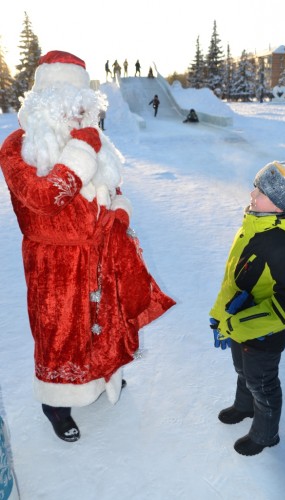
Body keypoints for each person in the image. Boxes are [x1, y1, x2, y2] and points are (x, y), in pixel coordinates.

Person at [0, 50, 175, 443]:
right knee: (61, 331)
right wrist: (82, 148)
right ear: (44, 102)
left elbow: (112, 189)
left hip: (99, 256)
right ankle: (56, 403)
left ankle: (99, 377)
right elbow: (45, 197)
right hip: (54, 264)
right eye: (68, 105)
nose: (77, 114)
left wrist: (121, 212)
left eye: (83, 105)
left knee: (101, 323)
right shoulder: (17, 148)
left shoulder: (94, 140)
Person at [209, 154, 285, 456]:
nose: (252, 195)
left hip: (264, 333)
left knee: (263, 383)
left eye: (260, 192)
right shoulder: (254, 225)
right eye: (255, 188)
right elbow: (232, 281)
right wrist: (219, 317)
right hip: (238, 325)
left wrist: (241, 323)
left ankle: (266, 435)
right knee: (243, 370)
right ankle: (244, 407)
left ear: (279, 206)